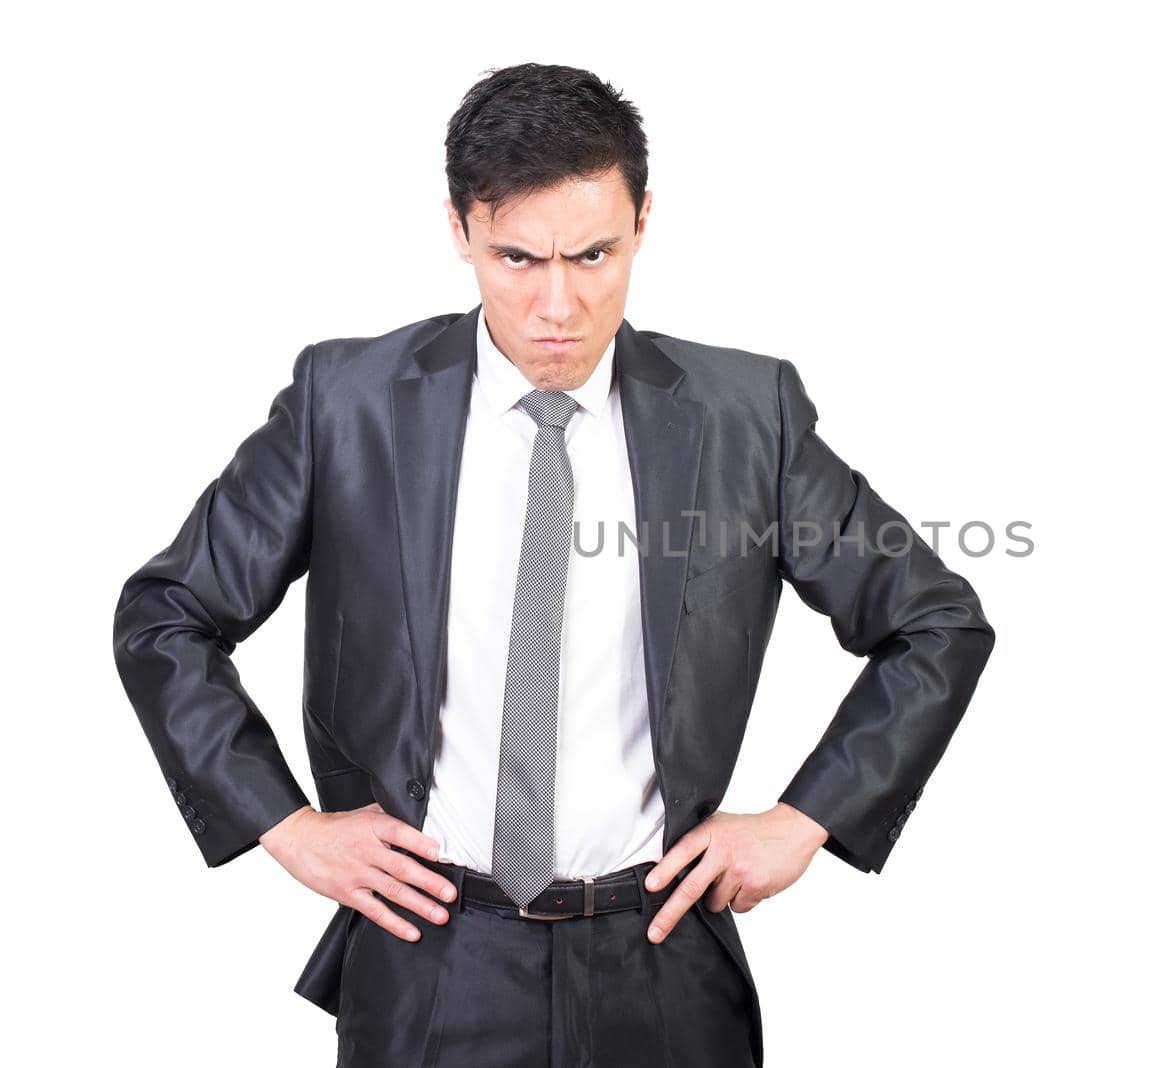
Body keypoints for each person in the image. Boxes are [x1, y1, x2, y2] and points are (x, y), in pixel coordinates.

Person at [111, 61, 995, 1068]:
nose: (558, 305)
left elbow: (934, 622)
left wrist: (807, 820)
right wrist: (284, 823)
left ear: (644, 220)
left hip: (661, 964)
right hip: (431, 960)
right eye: (517, 259)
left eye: (593, 254)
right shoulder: (346, 404)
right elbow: (167, 615)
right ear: (459, 232)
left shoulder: (746, 419)